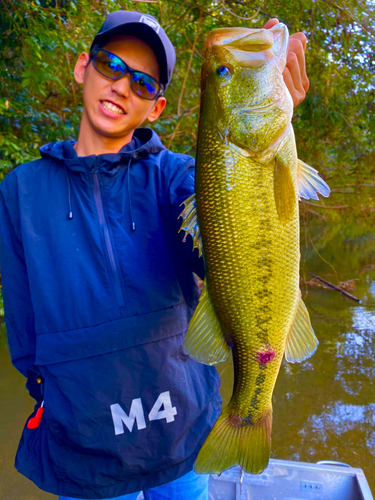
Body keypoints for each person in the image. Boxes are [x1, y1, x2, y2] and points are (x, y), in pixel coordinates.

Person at [0, 10, 309, 500]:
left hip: (183, 434)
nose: (122, 86)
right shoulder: (20, 190)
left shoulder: (180, 177)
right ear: (83, 67)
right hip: (86, 444)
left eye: (143, 83)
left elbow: (230, 261)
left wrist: (279, 119)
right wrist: (45, 394)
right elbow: (21, 319)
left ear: (158, 107)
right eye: (111, 64)